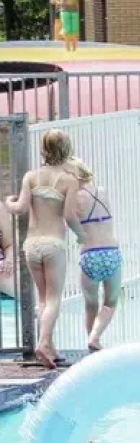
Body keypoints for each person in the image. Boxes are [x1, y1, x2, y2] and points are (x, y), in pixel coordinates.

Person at [6, 129, 81, 368]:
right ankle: (42, 342)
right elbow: (69, 216)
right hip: (53, 244)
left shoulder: (31, 177)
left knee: (42, 299)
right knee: (54, 299)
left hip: (32, 245)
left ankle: (50, 346)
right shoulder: (69, 180)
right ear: (66, 149)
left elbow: (20, 209)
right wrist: (82, 236)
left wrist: (8, 202)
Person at [67, 158, 124, 351]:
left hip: (89, 255)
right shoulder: (103, 192)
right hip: (111, 252)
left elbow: (69, 219)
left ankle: (91, 343)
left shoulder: (74, 198)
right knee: (110, 302)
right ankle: (95, 336)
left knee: (90, 305)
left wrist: (79, 235)